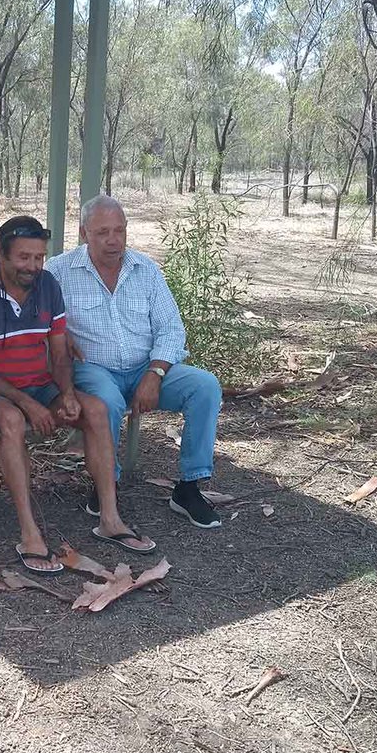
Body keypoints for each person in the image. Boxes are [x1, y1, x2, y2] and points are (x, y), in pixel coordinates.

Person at [0, 215, 155, 574]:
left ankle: (109, 517)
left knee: (95, 408)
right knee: (13, 420)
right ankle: (30, 533)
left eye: (39, 257)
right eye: (24, 257)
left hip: (39, 385)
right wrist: (26, 402)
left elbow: (59, 353)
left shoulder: (48, 286)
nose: (32, 266)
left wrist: (67, 393)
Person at [46, 194, 223, 529]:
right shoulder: (58, 272)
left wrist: (155, 373)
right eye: (102, 233)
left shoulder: (146, 270)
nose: (113, 240)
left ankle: (188, 487)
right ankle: (104, 485)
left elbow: (172, 328)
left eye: (119, 231)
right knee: (108, 401)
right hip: (94, 369)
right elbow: (31, 313)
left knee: (205, 386)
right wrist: (54, 331)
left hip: (145, 367)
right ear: (84, 234)